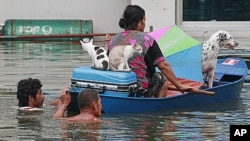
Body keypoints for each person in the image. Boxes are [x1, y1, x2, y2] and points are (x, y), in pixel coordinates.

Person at [108, 5, 193, 98]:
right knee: (161, 78)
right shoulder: (147, 39)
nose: (145, 23)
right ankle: (158, 105)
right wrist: (179, 85)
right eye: (144, 20)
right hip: (139, 87)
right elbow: (163, 66)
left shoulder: (113, 40)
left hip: (115, 85)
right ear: (139, 23)